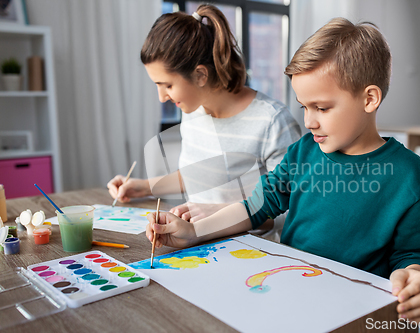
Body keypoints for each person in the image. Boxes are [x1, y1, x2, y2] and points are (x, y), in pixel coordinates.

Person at [145, 18, 420, 323]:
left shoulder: (409, 176)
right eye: (304, 107)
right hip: (288, 295)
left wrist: (416, 277)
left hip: (354, 314)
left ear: (369, 99)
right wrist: (194, 231)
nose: (310, 121)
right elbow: (257, 206)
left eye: (322, 108)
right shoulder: (304, 151)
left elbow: (415, 254)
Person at [107, 4, 301, 241]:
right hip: (197, 244)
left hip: (250, 254)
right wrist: (144, 186)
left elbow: (291, 208)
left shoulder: (273, 121)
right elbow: (198, 174)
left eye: (167, 85)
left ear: (200, 75)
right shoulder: (192, 110)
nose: (162, 97)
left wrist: (221, 212)